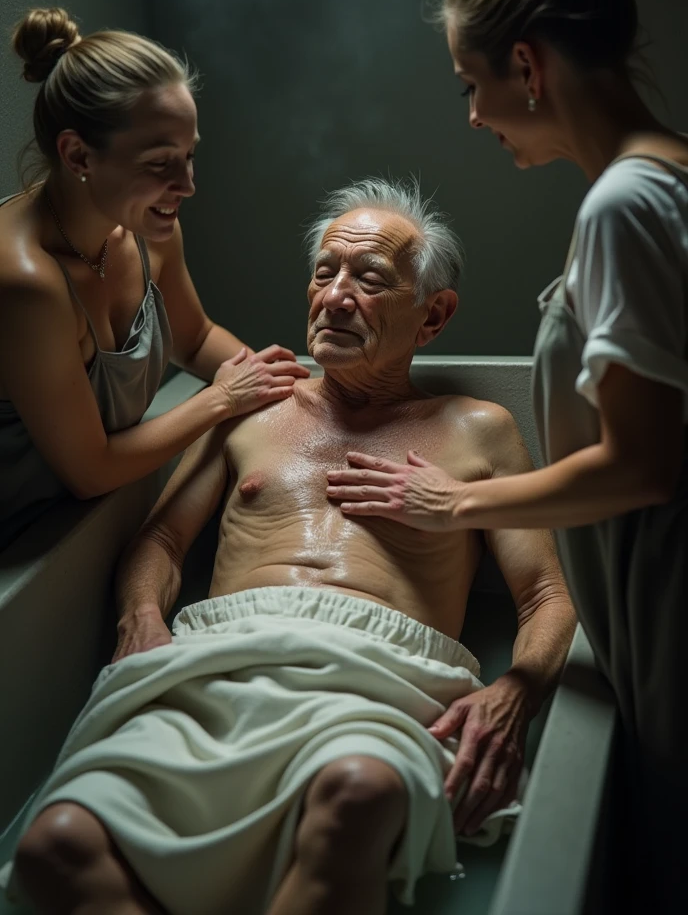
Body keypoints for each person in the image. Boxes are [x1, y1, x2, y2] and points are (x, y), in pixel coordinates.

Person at [9, 179, 575, 915]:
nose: (335, 295)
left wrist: (512, 697)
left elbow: (546, 597)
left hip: (378, 680)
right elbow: (164, 540)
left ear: (433, 315)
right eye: (324, 272)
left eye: (368, 279)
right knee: (56, 842)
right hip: (218, 661)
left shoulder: (480, 429)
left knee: (358, 794)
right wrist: (141, 617)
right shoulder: (252, 404)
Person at [326, 0, 688, 909]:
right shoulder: (663, 177)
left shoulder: (624, 202)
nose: (474, 115)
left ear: (525, 66)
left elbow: (641, 462)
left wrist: (458, 506)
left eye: (470, 85)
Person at [0, 7, 309, 552]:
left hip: (76, 526)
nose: (187, 185)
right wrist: (222, 400)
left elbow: (193, 338)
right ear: (78, 155)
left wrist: (301, 396)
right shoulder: (27, 283)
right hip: (18, 552)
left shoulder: (147, 229)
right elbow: (90, 471)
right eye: (160, 162)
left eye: (190, 156)